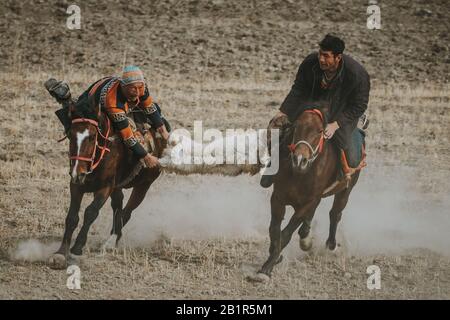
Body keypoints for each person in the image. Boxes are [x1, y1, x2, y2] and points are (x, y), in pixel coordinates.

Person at [260, 34, 370, 188]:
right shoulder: (310, 63)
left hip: (340, 111)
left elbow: (359, 105)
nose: (321, 59)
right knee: (281, 129)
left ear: (338, 57)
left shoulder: (357, 75)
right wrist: (283, 111)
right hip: (310, 106)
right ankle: (273, 166)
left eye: (326, 56)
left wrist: (336, 124)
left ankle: (342, 176)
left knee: (349, 151)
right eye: (320, 54)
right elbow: (298, 89)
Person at [46, 65, 170, 169]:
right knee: (76, 126)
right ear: (123, 86)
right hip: (93, 102)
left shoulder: (139, 87)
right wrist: (146, 156)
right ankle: (66, 100)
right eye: (133, 89)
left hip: (122, 100)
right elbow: (128, 137)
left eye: (140, 88)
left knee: (157, 111)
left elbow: (150, 108)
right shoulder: (113, 103)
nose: (137, 93)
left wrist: (165, 133)